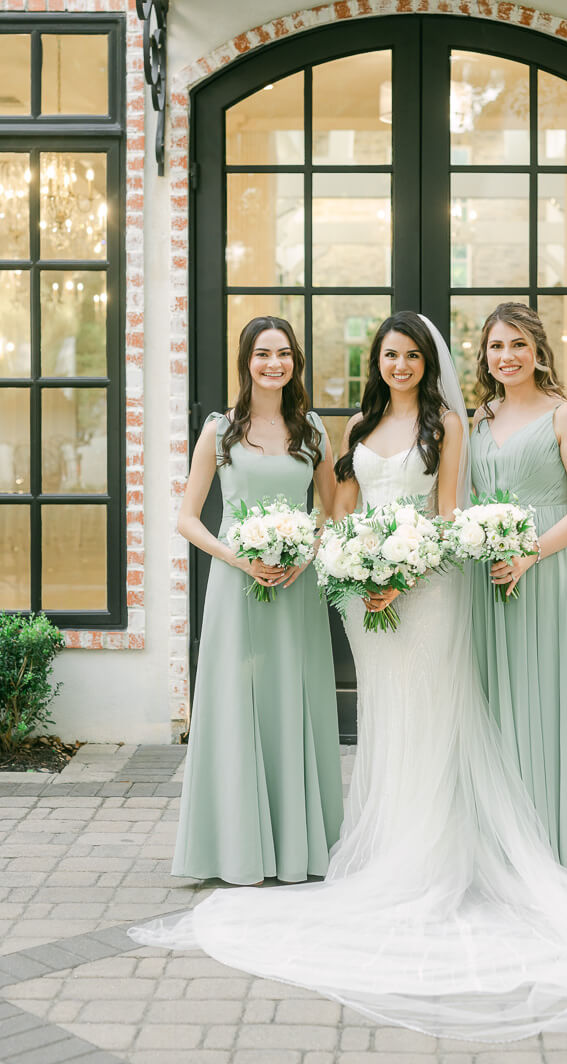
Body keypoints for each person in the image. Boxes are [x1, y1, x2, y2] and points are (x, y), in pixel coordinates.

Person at [130, 312, 567, 1042]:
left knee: (436, 714)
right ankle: (388, 851)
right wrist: (362, 571)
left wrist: (405, 567)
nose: (401, 365)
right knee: (389, 720)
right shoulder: (351, 427)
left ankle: (439, 859)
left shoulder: (449, 425)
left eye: (412, 354)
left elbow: (449, 514)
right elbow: (342, 509)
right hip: (367, 592)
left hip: (432, 588)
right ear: (375, 361)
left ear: (428, 361)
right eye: (390, 354)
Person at [170, 315, 343, 886]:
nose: (274, 364)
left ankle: (299, 847)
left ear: (297, 362)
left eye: (285, 354)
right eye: (263, 354)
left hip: (295, 587)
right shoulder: (219, 431)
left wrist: (304, 553)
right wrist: (241, 557)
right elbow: (187, 519)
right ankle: (236, 847)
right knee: (234, 705)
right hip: (235, 584)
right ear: (246, 361)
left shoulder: (312, 427)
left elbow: (329, 510)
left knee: (293, 701)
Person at [471, 301, 567, 885]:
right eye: (495, 347)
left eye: (517, 345)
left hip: (545, 572)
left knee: (543, 697)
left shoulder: (566, 416)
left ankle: (555, 849)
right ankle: (499, 849)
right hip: (488, 577)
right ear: (484, 355)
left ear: (538, 351)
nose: (506, 357)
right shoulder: (481, 417)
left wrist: (530, 552)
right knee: (493, 701)